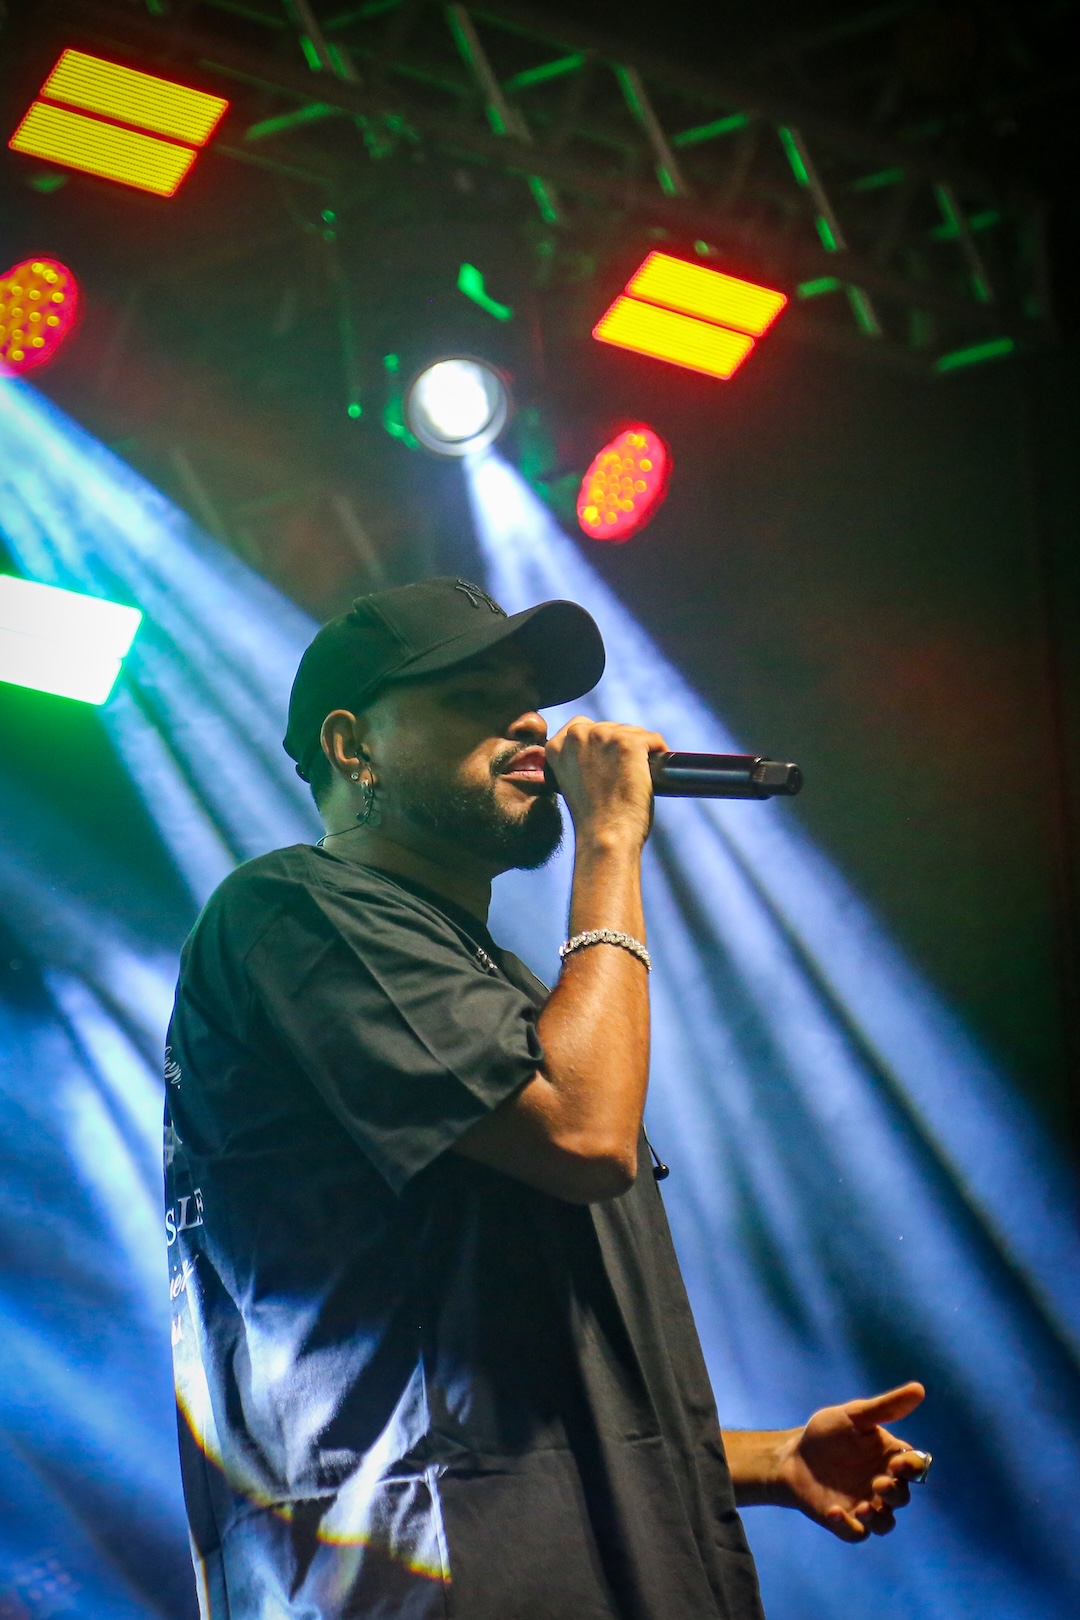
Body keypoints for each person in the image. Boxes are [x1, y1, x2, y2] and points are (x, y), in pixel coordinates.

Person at [165, 577, 929, 1620]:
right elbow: (582, 1134)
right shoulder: (292, 911)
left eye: (529, 699)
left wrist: (763, 1457)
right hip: (438, 1580)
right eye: (474, 697)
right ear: (353, 746)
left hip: (570, 1557)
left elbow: (505, 1365)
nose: (532, 723)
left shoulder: (507, 988)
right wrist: (611, 842)